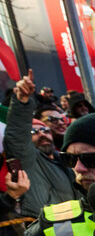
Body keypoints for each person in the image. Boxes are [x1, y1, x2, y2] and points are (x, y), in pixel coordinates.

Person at [3, 70, 77, 218]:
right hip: (46, 227)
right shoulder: (28, 160)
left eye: (45, 130)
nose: (42, 134)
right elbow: (17, 136)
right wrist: (22, 102)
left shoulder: (66, 161)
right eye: (34, 132)